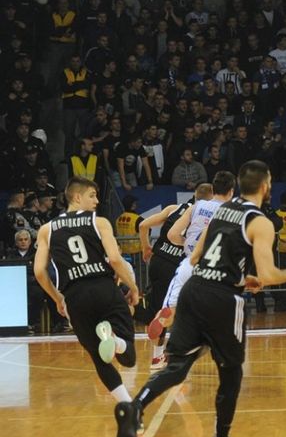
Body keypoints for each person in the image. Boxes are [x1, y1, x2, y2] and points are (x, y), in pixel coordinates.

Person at [113, 160, 286, 437]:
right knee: (231, 371)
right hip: (222, 299)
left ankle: (136, 406)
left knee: (178, 365)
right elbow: (270, 274)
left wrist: (240, 277)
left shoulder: (220, 211)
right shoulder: (259, 221)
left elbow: (195, 256)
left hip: (194, 288)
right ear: (265, 186)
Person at [33, 177, 140, 404]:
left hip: (74, 296)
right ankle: (116, 341)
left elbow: (40, 272)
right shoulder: (99, 222)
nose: (97, 201)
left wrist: (58, 298)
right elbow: (114, 259)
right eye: (92, 195)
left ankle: (128, 406)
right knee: (128, 357)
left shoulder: (46, 229)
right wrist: (132, 286)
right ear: (77, 197)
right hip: (104, 289)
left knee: (99, 359)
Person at [146, 173, 235, 362]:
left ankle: (160, 344)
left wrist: (187, 243)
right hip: (212, 267)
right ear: (231, 191)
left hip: (188, 262)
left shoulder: (197, 206)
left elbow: (172, 234)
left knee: (170, 307)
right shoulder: (231, 211)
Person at [138, 185, 210, 366]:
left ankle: (157, 354)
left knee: (157, 306)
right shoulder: (204, 216)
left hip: (157, 261)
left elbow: (143, 225)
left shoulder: (174, 208)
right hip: (177, 265)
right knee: (184, 307)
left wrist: (146, 247)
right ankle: (175, 350)